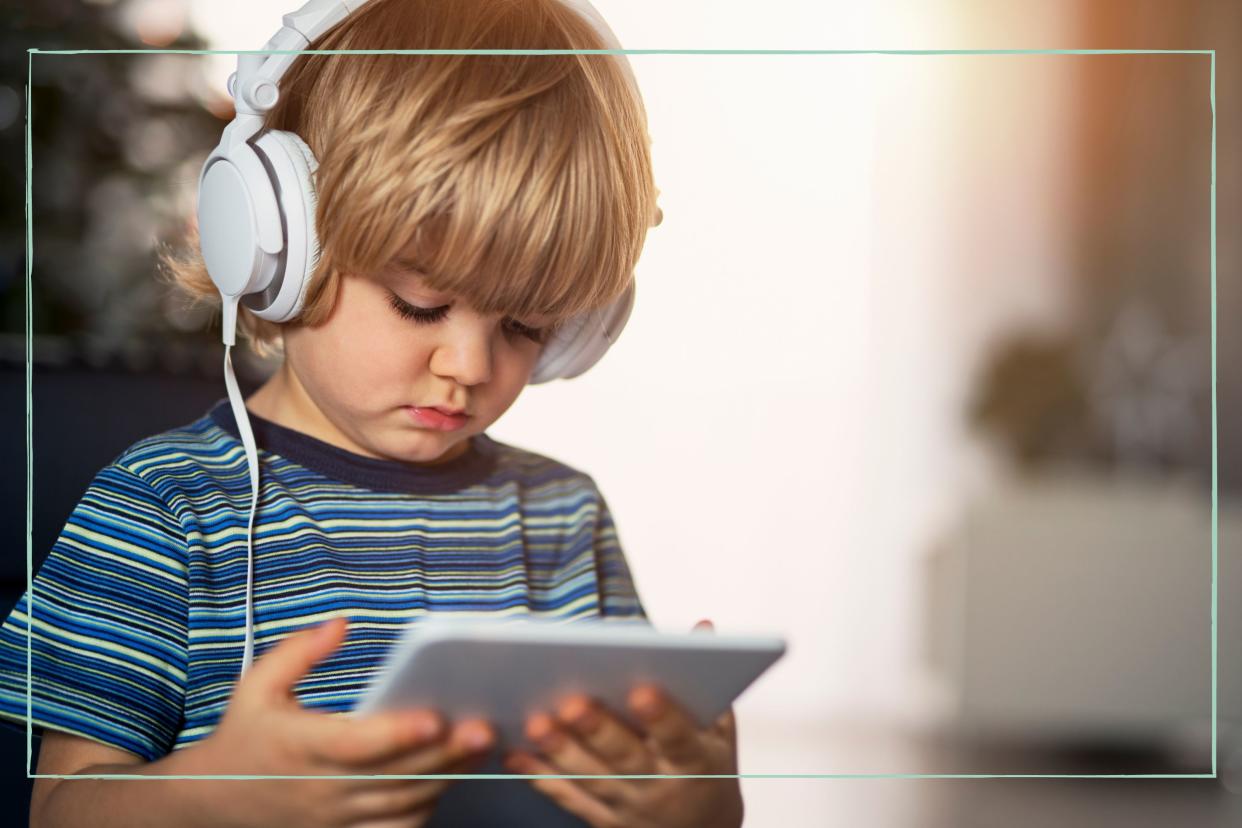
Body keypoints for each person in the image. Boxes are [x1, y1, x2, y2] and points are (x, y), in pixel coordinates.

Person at [0, 0, 744, 826]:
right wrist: (211, 790)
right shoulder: (164, 510)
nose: (468, 366)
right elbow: (62, 809)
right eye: (420, 305)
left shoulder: (561, 520)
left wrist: (697, 808)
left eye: (526, 326)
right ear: (276, 240)